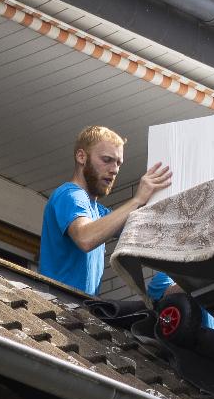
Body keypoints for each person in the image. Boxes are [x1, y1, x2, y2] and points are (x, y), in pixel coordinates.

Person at [38, 126, 171, 296]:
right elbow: (86, 238)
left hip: (80, 311)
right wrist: (137, 199)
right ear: (81, 157)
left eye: (118, 163)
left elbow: (143, 228)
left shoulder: (98, 212)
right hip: (58, 308)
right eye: (107, 160)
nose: (114, 169)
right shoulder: (69, 194)